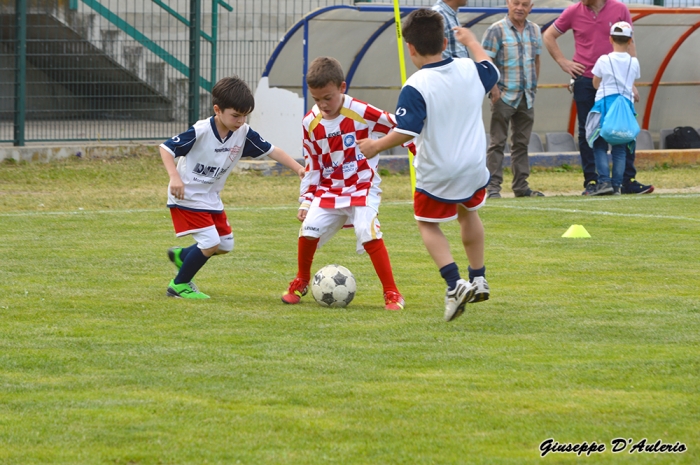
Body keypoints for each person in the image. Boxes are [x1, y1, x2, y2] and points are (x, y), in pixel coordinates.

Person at [357, 9, 499, 322]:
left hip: (439, 172)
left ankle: (455, 284)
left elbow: (408, 129)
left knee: (426, 223)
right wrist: (472, 41)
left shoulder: (416, 84)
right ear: (445, 41)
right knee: (468, 213)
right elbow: (491, 69)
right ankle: (478, 277)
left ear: (410, 48)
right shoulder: (469, 68)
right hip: (474, 167)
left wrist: (375, 145)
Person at [160, 76, 304, 299]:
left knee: (225, 244)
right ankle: (179, 285)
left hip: (210, 197)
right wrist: (174, 178)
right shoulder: (201, 131)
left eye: (245, 115)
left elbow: (272, 150)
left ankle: (185, 257)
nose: (240, 120)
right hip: (187, 194)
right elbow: (166, 149)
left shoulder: (243, 133)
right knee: (210, 242)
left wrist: (298, 169)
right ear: (217, 110)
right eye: (236, 115)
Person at [281, 56, 405, 311]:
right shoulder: (310, 122)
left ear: (342, 87)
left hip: (362, 185)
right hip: (330, 189)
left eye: (328, 97)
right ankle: (302, 280)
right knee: (308, 229)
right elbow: (312, 163)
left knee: (367, 231)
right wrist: (306, 198)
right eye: (317, 99)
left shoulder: (362, 111)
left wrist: (407, 149)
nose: (323, 105)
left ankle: (392, 293)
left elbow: (400, 126)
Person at [542, 0, 653, 195]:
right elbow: (549, 35)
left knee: (623, 127)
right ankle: (593, 181)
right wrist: (564, 62)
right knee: (588, 130)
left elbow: (630, 43)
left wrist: (630, 82)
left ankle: (627, 180)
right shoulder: (573, 11)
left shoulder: (620, 9)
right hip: (585, 80)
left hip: (616, 83)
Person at [481, 0, 544, 199]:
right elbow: (485, 60)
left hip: (527, 96)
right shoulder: (495, 30)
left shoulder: (535, 30)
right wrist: (493, 90)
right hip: (504, 95)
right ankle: (492, 188)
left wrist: (533, 86)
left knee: (521, 144)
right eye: (516, 3)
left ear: (531, 7)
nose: (520, 8)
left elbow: (536, 59)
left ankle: (521, 186)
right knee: (497, 142)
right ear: (508, 4)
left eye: (525, 4)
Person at [587, 22, 641, 196]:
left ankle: (604, 181)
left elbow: (596, 82)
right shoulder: (634, 62)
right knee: (619, 147)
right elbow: (632, 80)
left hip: (605, 104)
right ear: (630, 40)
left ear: (610, 38)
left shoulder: (604, 60)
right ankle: (617, 185)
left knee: (599, 144)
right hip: (625, 106)